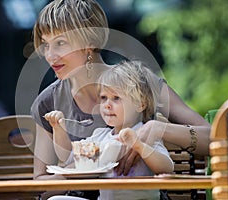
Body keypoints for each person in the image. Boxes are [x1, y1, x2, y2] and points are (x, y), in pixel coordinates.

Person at [30, 0, 210, 198]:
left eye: (60, 43)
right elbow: (40, 185)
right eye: (46, 45)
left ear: (89, 41)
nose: (50, 55)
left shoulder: (139, 82)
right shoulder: (48, 102)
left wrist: (156, 129)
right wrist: (82, 170)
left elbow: (213, 139)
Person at [44, 60, 174, 200]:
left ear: (140, 104)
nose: (107, 105)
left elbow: (166, 168)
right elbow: (67, 156)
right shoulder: (100, 136)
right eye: (104, 98)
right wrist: (59, 129)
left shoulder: (144, 134)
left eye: (116, 98)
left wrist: (139, 146)